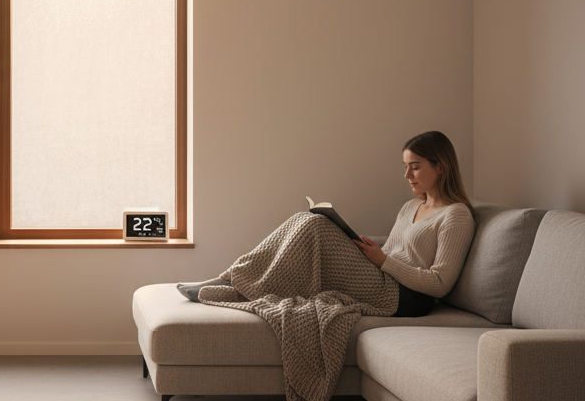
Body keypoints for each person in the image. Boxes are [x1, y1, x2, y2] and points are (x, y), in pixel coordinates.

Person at [177, 130, 476, 318]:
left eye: (415, 167)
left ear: (440, 166)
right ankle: (230, 278)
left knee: (316, 226)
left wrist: (384, 261)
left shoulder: (456, 215)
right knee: (306, 218)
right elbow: (397, 251)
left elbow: (440, 283)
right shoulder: (411, 206)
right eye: (406, 167)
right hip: (382, 276)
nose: (407, 175)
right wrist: (370, 251)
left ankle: (231, 282)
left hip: (406, 298)